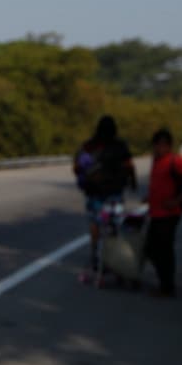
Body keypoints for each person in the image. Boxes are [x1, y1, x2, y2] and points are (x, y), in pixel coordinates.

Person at [73, 115, 136, 274]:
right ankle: (110, 256)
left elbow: (77, 167)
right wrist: (132, 182)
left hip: (94, 192)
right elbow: (129, 166)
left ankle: (95, 253)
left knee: (95, 222)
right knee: (114, 224)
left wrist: (87, 177)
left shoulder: (88, 146)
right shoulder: (120, 146)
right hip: (114, 192)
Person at [143, 128, 182, 297]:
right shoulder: (157, 160)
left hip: (169, 213)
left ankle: (167, 286)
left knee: (163, 250)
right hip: (156, 212)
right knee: (152, 249)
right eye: (157, 145)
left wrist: (178, 200)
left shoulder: (175, 161)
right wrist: (149, 197)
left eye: (164, 145)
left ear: (169, 145)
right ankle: (165, 283)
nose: (160, 148)